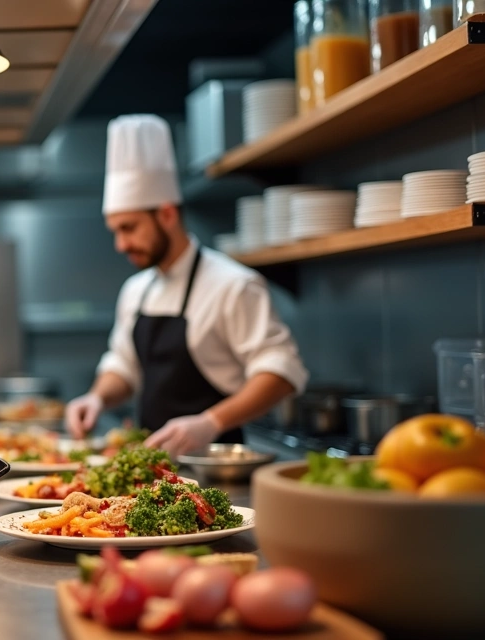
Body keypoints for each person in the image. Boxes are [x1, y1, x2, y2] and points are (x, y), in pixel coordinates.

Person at [65, 114, 308, 457]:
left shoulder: (233, 285)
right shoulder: (136, 290)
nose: (121, 244)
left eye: (129, 228)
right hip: (150, 470)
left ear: (167, 214)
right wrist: (97, 397)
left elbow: (281, 370)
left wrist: (210, 422)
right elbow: (124, 366)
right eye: (115, 231)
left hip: (216, 468)